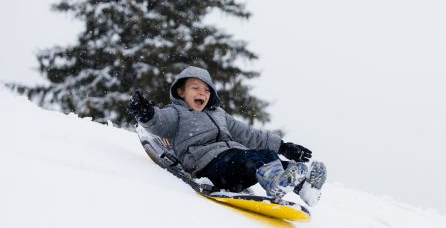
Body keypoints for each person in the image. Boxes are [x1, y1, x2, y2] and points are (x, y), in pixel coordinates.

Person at [127, 65, 326, 205]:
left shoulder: (219, 114)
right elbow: (159, 124)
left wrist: (282, 147)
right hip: (207, 164)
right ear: (180, 92)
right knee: (252, 159)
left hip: (233, 163)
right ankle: (275, 182)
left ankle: (305, 186)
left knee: (266, 156)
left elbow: (248, 134)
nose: (201, 93)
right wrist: (146, 113)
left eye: (206, 90)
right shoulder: (176, 113)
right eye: (195, 88)